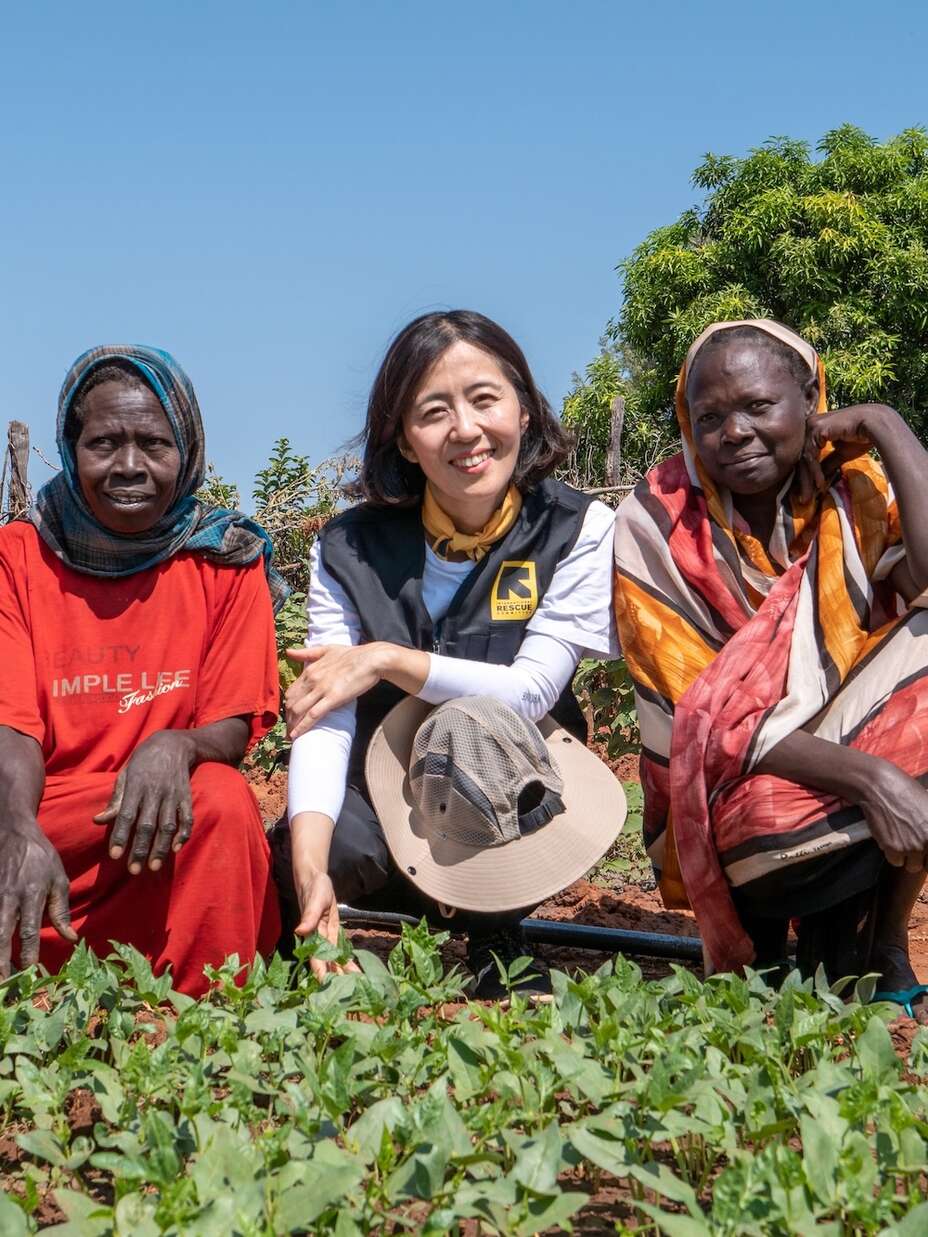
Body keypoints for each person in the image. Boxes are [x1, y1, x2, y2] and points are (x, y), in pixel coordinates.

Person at [275, 310, 620, 996]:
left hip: (506, 782)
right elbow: (327, 716)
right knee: (320, 845)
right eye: (433, 411)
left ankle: (497, 926)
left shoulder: (576, 528)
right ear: (403, 439)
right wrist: (308, 865)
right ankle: (327, 908)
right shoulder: (349, 548)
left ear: (524, 411)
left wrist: (385, 659)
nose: (465, 429)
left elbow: (529, 690)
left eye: (485, 399)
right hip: (384, 792)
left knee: (485, 737)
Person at [613, 319, 928, 1019]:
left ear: (811, 397)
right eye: (711, 416)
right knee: (774, 819)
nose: (734, 431)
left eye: (759, 406)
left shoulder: (850, 493)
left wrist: (885, 425)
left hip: (837, 741)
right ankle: (777, 939)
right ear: (688, 426)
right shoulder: (656, 525)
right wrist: (875, 780)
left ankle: (879, 943)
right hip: (729, 792)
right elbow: (705, 720)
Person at [0, 345, 284, 996]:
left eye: (153, 443)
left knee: (222, 801)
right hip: (50, 816)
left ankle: (205, 1009)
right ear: (71, 450)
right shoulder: (16, 557)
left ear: (186, 451)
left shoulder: (226, 558)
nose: (130, 466)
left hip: (160, 827)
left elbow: (233, 723)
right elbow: (10, 727)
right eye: (104, 442)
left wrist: (177, 745)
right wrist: (16, 828)